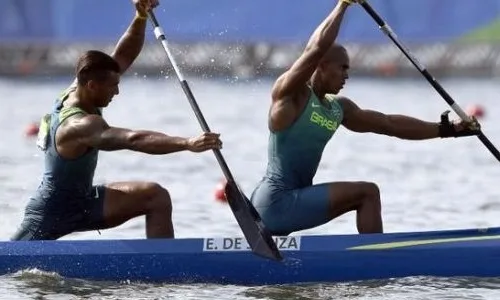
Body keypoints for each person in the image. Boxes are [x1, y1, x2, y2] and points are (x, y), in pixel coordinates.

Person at [249, 0, 480, 236]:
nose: (347, 75)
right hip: (275, 201)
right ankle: (379, 263)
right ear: (322, 66)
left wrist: (449, 130)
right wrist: (342, 6)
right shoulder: (291, 95)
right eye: (343, 68)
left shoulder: (339, 109)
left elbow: (388, 124)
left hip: (294, 200)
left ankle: (368, 258)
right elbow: (315, 49)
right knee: (367, 193)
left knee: (366, 192)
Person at [11, 0, 222, 241]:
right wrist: (187, 143)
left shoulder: (80, 87)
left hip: (84, 201)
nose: (117, 93)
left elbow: (122, 55)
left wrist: (140, 17)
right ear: (92, 85)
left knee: (156, 196)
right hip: (50, 213)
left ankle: (163, 270)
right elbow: (133, 139)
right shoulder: (80, 125)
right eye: (113, 87)